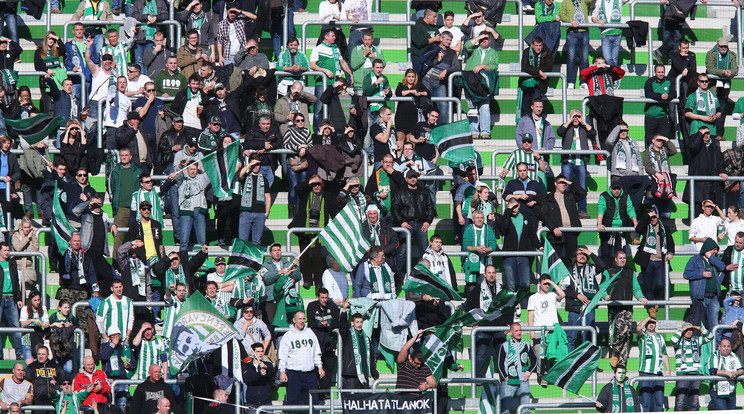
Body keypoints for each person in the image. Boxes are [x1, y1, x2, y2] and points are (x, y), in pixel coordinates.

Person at [604, 250, 647, 368]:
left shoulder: (631, 272)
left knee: (627, 335)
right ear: (616, 260)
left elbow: (636, 288)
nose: (622, 260)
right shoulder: (609, 272)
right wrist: (605, 296)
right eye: (620, 258)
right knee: (620, 332)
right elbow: (603, 287)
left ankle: (621, 366)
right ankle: (615, 352)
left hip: (628, 306)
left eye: (624, 258)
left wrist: (641, 297)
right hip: (615, 307)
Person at [561, 247, 606, 352]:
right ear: (575, 256)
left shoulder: (592, 268)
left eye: (584, 255)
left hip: (589, 306)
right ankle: (571, 364)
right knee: (571, 336)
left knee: (591, 336)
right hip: (574, 307)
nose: (582, 256)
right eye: (579, 254)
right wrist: (577, 295)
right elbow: (564, 290)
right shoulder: (569, 270)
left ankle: (591, 363)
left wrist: (590, 253)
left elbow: (602, 266)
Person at [278, 311, 324, 412]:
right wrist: (282, 371)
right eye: (300, 319)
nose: (302, 321)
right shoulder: (288, 336)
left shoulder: (310, 333)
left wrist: (319, 366)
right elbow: (283, 356)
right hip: (294, 374)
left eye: (303, 319)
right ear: (294, 320)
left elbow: (316, 351)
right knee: (292, 405)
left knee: (314, 404)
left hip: (310, 374)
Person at [464, 265, 505, 377]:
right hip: (482, 327)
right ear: (485, 274)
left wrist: (508, 324)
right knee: (480, 354)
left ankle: (504, 376)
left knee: (503, 354)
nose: (491, 275)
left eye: (493, 273)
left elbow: (508, 307)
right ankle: (479, 378)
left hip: (499, 327)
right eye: (489, 273)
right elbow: (470, 308)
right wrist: (474, 324)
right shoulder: (477, 290)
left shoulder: (502, 289)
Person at [309, 28, 353, 128]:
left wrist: (350, 74)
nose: (335, 38)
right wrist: (325, 71)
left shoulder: (336, 48)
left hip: (335, 83)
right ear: (326, 37)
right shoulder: (318, 49)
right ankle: (317, 131)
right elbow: (312, 65)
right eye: (332, 36)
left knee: (334, 107)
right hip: (322, 83)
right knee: (319, 108)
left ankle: (331, 129)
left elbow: (342, 62)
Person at [634, 206, 675, 310]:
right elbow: (638, 230)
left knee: (660, 284)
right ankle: (651, 310)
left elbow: (670, 243)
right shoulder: (646, 227)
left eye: (654, 216)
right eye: (650, 217)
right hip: (647, 261)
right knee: (648, 288)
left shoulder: (664, 228)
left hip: (660, 261)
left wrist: (670, 252)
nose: (652, 219)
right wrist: (646, 217)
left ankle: (654, 298)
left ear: (657, 215)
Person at [527, 275, 565, 384]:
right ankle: (541, 375)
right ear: (540, 284)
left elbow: (562, 295)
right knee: (540, 355)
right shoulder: (533, 297)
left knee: (551, 354)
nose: (547, 286)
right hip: (539, 330)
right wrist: (531, 331)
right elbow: (530, 315)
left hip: (552, 331)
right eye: (545, 283)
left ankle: (551, 375)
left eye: (548, 284)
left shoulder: (552, 295)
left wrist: (552, 283)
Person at [391, 169, 436, 261]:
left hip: (421, 224)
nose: (413, 179)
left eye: (414, 177)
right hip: (406, 224)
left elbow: (431, 208)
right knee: (402, 251)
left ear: (417, 178)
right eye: (410, 177)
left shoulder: (424, 192)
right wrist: (401, 222)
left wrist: (428, 222)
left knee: (425, 252)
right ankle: (399, 275)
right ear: (406, 179)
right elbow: (395, 209)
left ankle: (425, 273)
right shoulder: (400, 192)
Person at [684, 126, 728, 216]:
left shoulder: (715, 147)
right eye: (703, 133)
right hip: (697, 188)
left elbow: (720, 163)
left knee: (709, 218)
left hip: (711, 188)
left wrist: (722, 172)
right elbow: (693, 147)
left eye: (707, 133)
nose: (706, 135)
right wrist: (699, 135)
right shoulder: (695, 145)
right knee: (697, 217)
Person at [684, 237, 726, 332]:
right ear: (707, 249)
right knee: (700, 326)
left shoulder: (715, 260)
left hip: (714, 298)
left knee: (714, 326)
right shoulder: (694, 260)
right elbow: (686, 274)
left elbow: (723, 267)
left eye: (716, 250)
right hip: (700, 299)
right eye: (713, 250)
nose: (716, 252)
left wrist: (711, 257)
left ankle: (713, 346)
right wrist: (701, 274)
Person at [419, 31, 460, 124]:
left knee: (443, 105)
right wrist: (437, 60)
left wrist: (446, 70)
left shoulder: (452, 53)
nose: (449, 42)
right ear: (441, 39)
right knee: (427, 105)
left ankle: (443, 129)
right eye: (447, 40)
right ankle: (425, 127)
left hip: (440, 83)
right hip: (427, 81)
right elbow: (423, 63)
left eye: (451, 40)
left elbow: (457, 67)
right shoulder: (432, 48)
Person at [670, 322, 713, 411]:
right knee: (680, 401)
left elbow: (710, 337)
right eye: (687, 330)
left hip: (695, 374)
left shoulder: (696, 340)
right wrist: (682, 329)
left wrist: (697, 327)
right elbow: (673, 340)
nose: (689, 331)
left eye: (691, 330)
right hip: (682, 374)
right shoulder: (679, 341)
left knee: (694, 402)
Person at [306, 288, 340, 398]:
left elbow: (336, 322)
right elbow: (310, 322)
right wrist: (320, 324)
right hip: (316, 343)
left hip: (329, 342)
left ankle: (325, 391)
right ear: (318, 297)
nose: (324, 300)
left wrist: (328, 325)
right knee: (315, 366)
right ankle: (316, 390)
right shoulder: (312, 306)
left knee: (328, 366)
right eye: (322, 297)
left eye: (326, 297)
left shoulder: (333, 306)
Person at [108, 149, 141, 261]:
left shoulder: (137, 171)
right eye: (122, 155)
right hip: (121, 208)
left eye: (126, 155)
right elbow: (111, 187)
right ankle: (115, 265)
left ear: (131, 157)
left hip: (136, 209)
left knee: (138, 237)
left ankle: (138, 262)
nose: (124, 157)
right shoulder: (115, 171)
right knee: (118, 237)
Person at [463, 33, 498, 139]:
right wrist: (479, 37)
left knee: (485, 108)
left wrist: (482, 66)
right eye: (482, 39)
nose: (484, 40)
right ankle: (474, 132)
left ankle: (485, 132)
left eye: (486, 39)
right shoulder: (473, 49)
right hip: (470, 82)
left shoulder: (493, 52)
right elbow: (467, 46)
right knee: (472, 107)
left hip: (484, 84)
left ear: (490, 41)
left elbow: (494, 66)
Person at [497, 322, 536, 414]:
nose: (519, 333)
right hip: (509, 382)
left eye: (520, 330)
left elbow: (534, 360)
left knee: (525, 410)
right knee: (505, 410)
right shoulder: (504, 345)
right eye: (516, 331)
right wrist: (505, 377)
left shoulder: (526, 345)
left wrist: (529, 372)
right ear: (511, 332)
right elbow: (500, 364)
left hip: (524, 381)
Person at [635, 316, 670, 412]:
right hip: (645, 373)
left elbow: (664, 354)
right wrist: (648, 318)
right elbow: (638, 328)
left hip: (659, 374)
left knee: (659, 402)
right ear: (646, 324)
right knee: (645, 403)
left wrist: (668, 369)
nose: (651, 324)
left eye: (653, 323)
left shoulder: (660, 337)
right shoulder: (643, 336)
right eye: (649, 323)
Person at [339, 300, 378, 388]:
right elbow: (342, 326)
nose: (359, 324)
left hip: (364, 375)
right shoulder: (348, 335)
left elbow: (371, 359)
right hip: (351, 375)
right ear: (352, 323)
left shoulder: (366, 338)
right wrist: (344, 310)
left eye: (361, 322)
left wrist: (375, 375)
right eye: (357, 322)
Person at [596, 183, 638, 263]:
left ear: (621, 189)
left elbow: (630, 209)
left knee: (620, 254)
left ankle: (620, 273)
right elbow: (601, 209)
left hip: (621, 229)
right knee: (606, 254)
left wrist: (635, 222)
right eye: (614, 189)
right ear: (610, 189)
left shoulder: (626, 196)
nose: (616, 191)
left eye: (618, 189)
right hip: (606, 228)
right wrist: (599, 223)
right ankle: (606, 273)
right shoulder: (604, 196)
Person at [706, 37, 738, 141]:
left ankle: (719, 134)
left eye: (725, 46)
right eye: (721, 46)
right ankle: (709, 133)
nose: (723, 48)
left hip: (724, 88)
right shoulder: (711, 54)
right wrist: (723, 72)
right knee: (711, 110)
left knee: (722, 111)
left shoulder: (731, 55)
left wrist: (730, 72)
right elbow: (710, 69)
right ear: (717, 45)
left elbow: (735, 69)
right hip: (713, 87)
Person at [238, 157, 272, 244]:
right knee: (243, 240)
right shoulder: (246, 177)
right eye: (254, 164)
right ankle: (243, 258)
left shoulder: (264, 179)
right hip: (246, 212)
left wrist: (267, 212)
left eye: (258, 164)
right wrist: (249, 164)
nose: (256, 166)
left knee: (256, 242)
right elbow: (240, 175)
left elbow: (267, 196)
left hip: (260, 214)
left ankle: (254, 258)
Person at [394, 69, 430, 148]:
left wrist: (419, 93)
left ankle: (410, 158)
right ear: (406, 77)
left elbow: (427, 92)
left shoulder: (419, 85)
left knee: (410, 140)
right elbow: (398, 93)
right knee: (400, 139)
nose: (411, 78)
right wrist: (411, 91)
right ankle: (399, 159)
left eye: (413, 77)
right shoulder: (401, 85)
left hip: (412, 116)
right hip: (401, 116)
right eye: (409, 76)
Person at [462, 210, 497, 286]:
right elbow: (466, 246)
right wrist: (477, 249)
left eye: (481, 217)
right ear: (473, 219)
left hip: (485, 264)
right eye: (477, 218)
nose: (480, 219)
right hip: (471, 263)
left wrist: (486, 250)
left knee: (484, 288)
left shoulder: (488, 229)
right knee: (471, 289)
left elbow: (493, 245)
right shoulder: (469, 229)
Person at [560, 0, 591, 89]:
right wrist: (570, 21)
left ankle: (584, 81)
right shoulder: (566, 2)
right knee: (571, 58)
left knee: (584, 58)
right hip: (571, 32)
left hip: (584, 31)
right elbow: (562, 15)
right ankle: (571, 82)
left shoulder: (584, 1)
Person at [519, 37, 553, 116]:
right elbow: (524, 67)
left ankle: (536, 126)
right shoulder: (526, 52)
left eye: (540, 45)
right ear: (532, 45)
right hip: (526, 84)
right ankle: (526, 127)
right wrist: (538, 72)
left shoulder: (547, 52)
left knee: (536, 107)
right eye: (536, 45)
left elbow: (548, 67)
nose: (538, 48)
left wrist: (535, 71)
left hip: (539, 85)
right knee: (525, 108)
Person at [0, 242, 22, 360]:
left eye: (8, 250)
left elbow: (16, 282)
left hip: (11, 298)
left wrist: (18, 298)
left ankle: (20, 354)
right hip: (0, 298)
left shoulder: (12, 263)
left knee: (16, 327)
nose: (7, 252)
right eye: (5, 250)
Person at [708, 338, 743, 410]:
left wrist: (736, 373)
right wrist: (727, 373)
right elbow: (713, 371)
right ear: (719, 347)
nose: (726, 348)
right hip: (717, 391)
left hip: (731, 391)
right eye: (724, 346)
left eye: (728, 346)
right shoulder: (714, 356)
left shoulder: (734, 356)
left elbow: (741, 370)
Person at [643, 64, 675, 145]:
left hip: (663, 116)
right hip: (650, 116)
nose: (661, 74)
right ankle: (650, 157)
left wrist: (668, 96)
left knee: (663, 141)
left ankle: (663, 157)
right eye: (659, 72)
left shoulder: (669, 81)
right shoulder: (650, 81)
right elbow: (648, 94)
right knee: (650, 141)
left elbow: (674, 93)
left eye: (662, 72)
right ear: (655, 72)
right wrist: (660, 96)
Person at [96, 279, 134, 343]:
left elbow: (131, 319)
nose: (118, 289)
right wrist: (104, 336)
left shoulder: (128, 301)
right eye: (116, 287)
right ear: (112, 288)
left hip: (123, 339)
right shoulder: (106, 302)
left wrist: (127, 336)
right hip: (110, 339)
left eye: (120, 287)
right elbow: (99, 320)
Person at [685, 74, 721, 138]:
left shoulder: (714, 96)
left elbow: (719, 112)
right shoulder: (693, 96)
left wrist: (715, 116)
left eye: (706, 81)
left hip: (711, 130)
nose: (704, 83)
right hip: (697, 129)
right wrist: (703, 117)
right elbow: (687, 113)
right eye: (702, 81)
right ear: (698, 82)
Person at [243, 342, 276, 410]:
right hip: (252, 402)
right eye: (258, 351)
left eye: (262, 351)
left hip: (266, 401)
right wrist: (259, 374)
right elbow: (247, 378)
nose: (260, 353)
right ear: (253, 353)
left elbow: (273, 373)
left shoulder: (268, 364)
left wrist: (266, 367)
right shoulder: (247, 365)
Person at [19, 291, 49, 364]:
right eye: (35, 300)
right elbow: (23, 324)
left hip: (39, 338)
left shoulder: (43, 308)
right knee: (30, 363)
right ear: (30, 300)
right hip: (27, 339)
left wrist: (44, 324)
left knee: (39, 363)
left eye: (38, 300)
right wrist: (32, 320)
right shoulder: (25, 309)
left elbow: (47, 322)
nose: (37, 302)